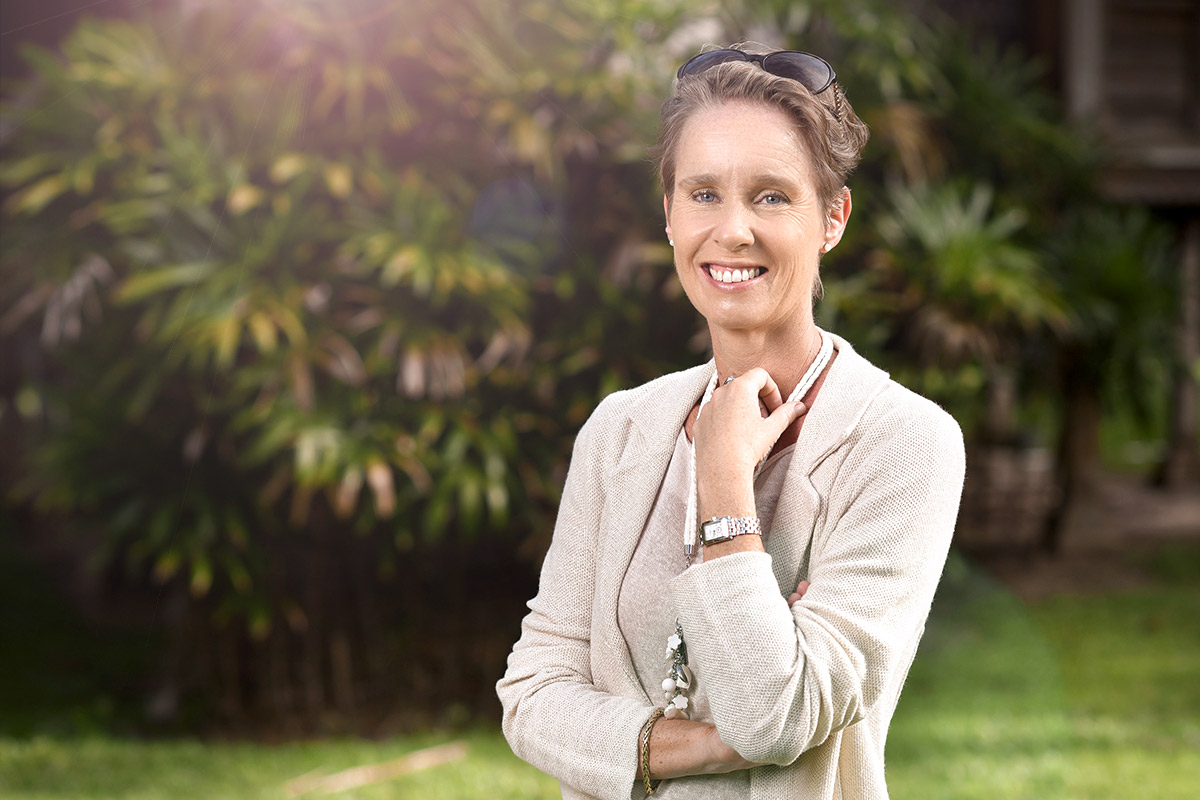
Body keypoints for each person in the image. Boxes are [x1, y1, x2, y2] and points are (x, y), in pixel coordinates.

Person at [497, 44, 965, 799]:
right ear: (670, 215)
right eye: (704, 193)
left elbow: (775, 717)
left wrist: (723, 483)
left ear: (833, 218)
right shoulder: (620, 431)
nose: (733, 230)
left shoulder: (903, 443)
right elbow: (532, 696)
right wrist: (699, 747)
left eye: (773, 196)